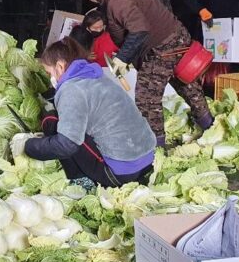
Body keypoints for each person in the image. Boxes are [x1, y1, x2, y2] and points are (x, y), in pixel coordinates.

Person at [76, 0, 214, 147]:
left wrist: (122, 59)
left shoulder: (117, 0)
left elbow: (139, 31)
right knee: (184, 82)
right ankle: (208, 125)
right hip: (174, 36)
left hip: (163, 46)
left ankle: (154, 147)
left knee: (147, 98)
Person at [10, 38, 155, 189]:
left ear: (60, 66)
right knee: (72, 127)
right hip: (146, 162)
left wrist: (28, 145)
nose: (49, 78)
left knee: (51, 121)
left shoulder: (71, 89)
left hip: (119, 173)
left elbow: (66, 146)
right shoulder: (96, 76)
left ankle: (81, 181)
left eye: (48, 72)